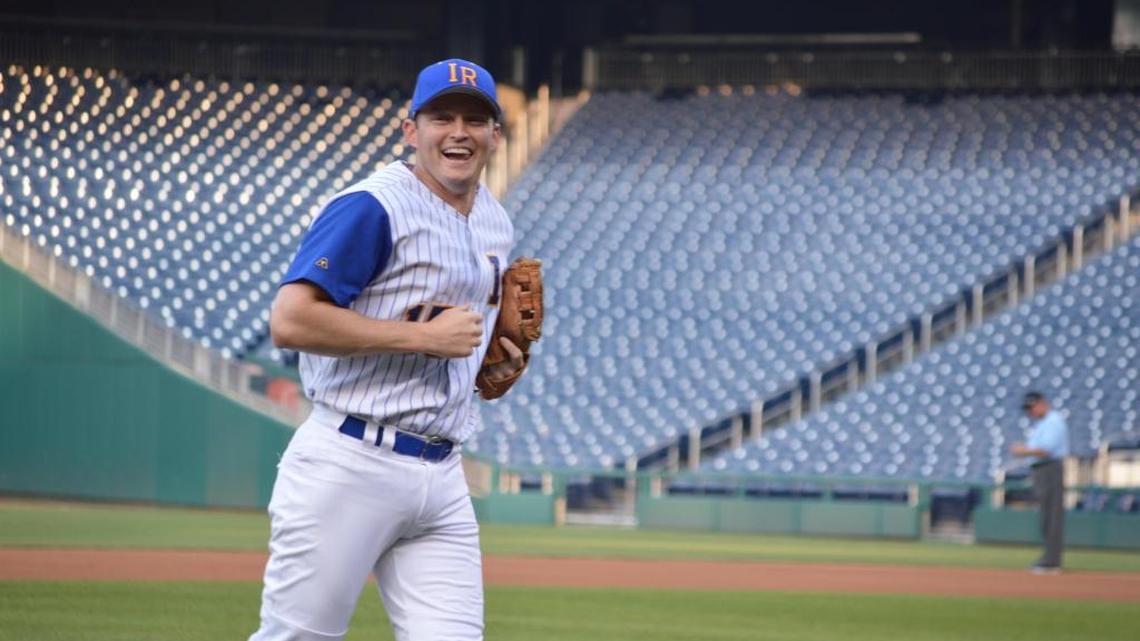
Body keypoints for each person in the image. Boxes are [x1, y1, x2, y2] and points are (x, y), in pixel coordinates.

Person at [248, 58, 524, 641]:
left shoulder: (495, 221)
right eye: (441, 116)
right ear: (410, 130)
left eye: (475, 120)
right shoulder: (372, 206)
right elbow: (291, 321)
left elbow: (460, 336)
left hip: (442, 473)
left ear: (494, 135)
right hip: (350, 461)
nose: (458, 132)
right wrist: (424, 339)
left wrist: (493, 354)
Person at [1010, 391, 1070, 574]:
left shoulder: (1053, 421)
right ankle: (1049, 558)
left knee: (1052, 515)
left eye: (1032, 407)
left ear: (1042, 403)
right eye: (1028, 409)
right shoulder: (1043, 423)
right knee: (1046, 515)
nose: (1030, 412)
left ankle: (1052, 561)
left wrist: (1023, 450)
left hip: (1050, 468)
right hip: (1042, 470)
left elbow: (1046, 450)